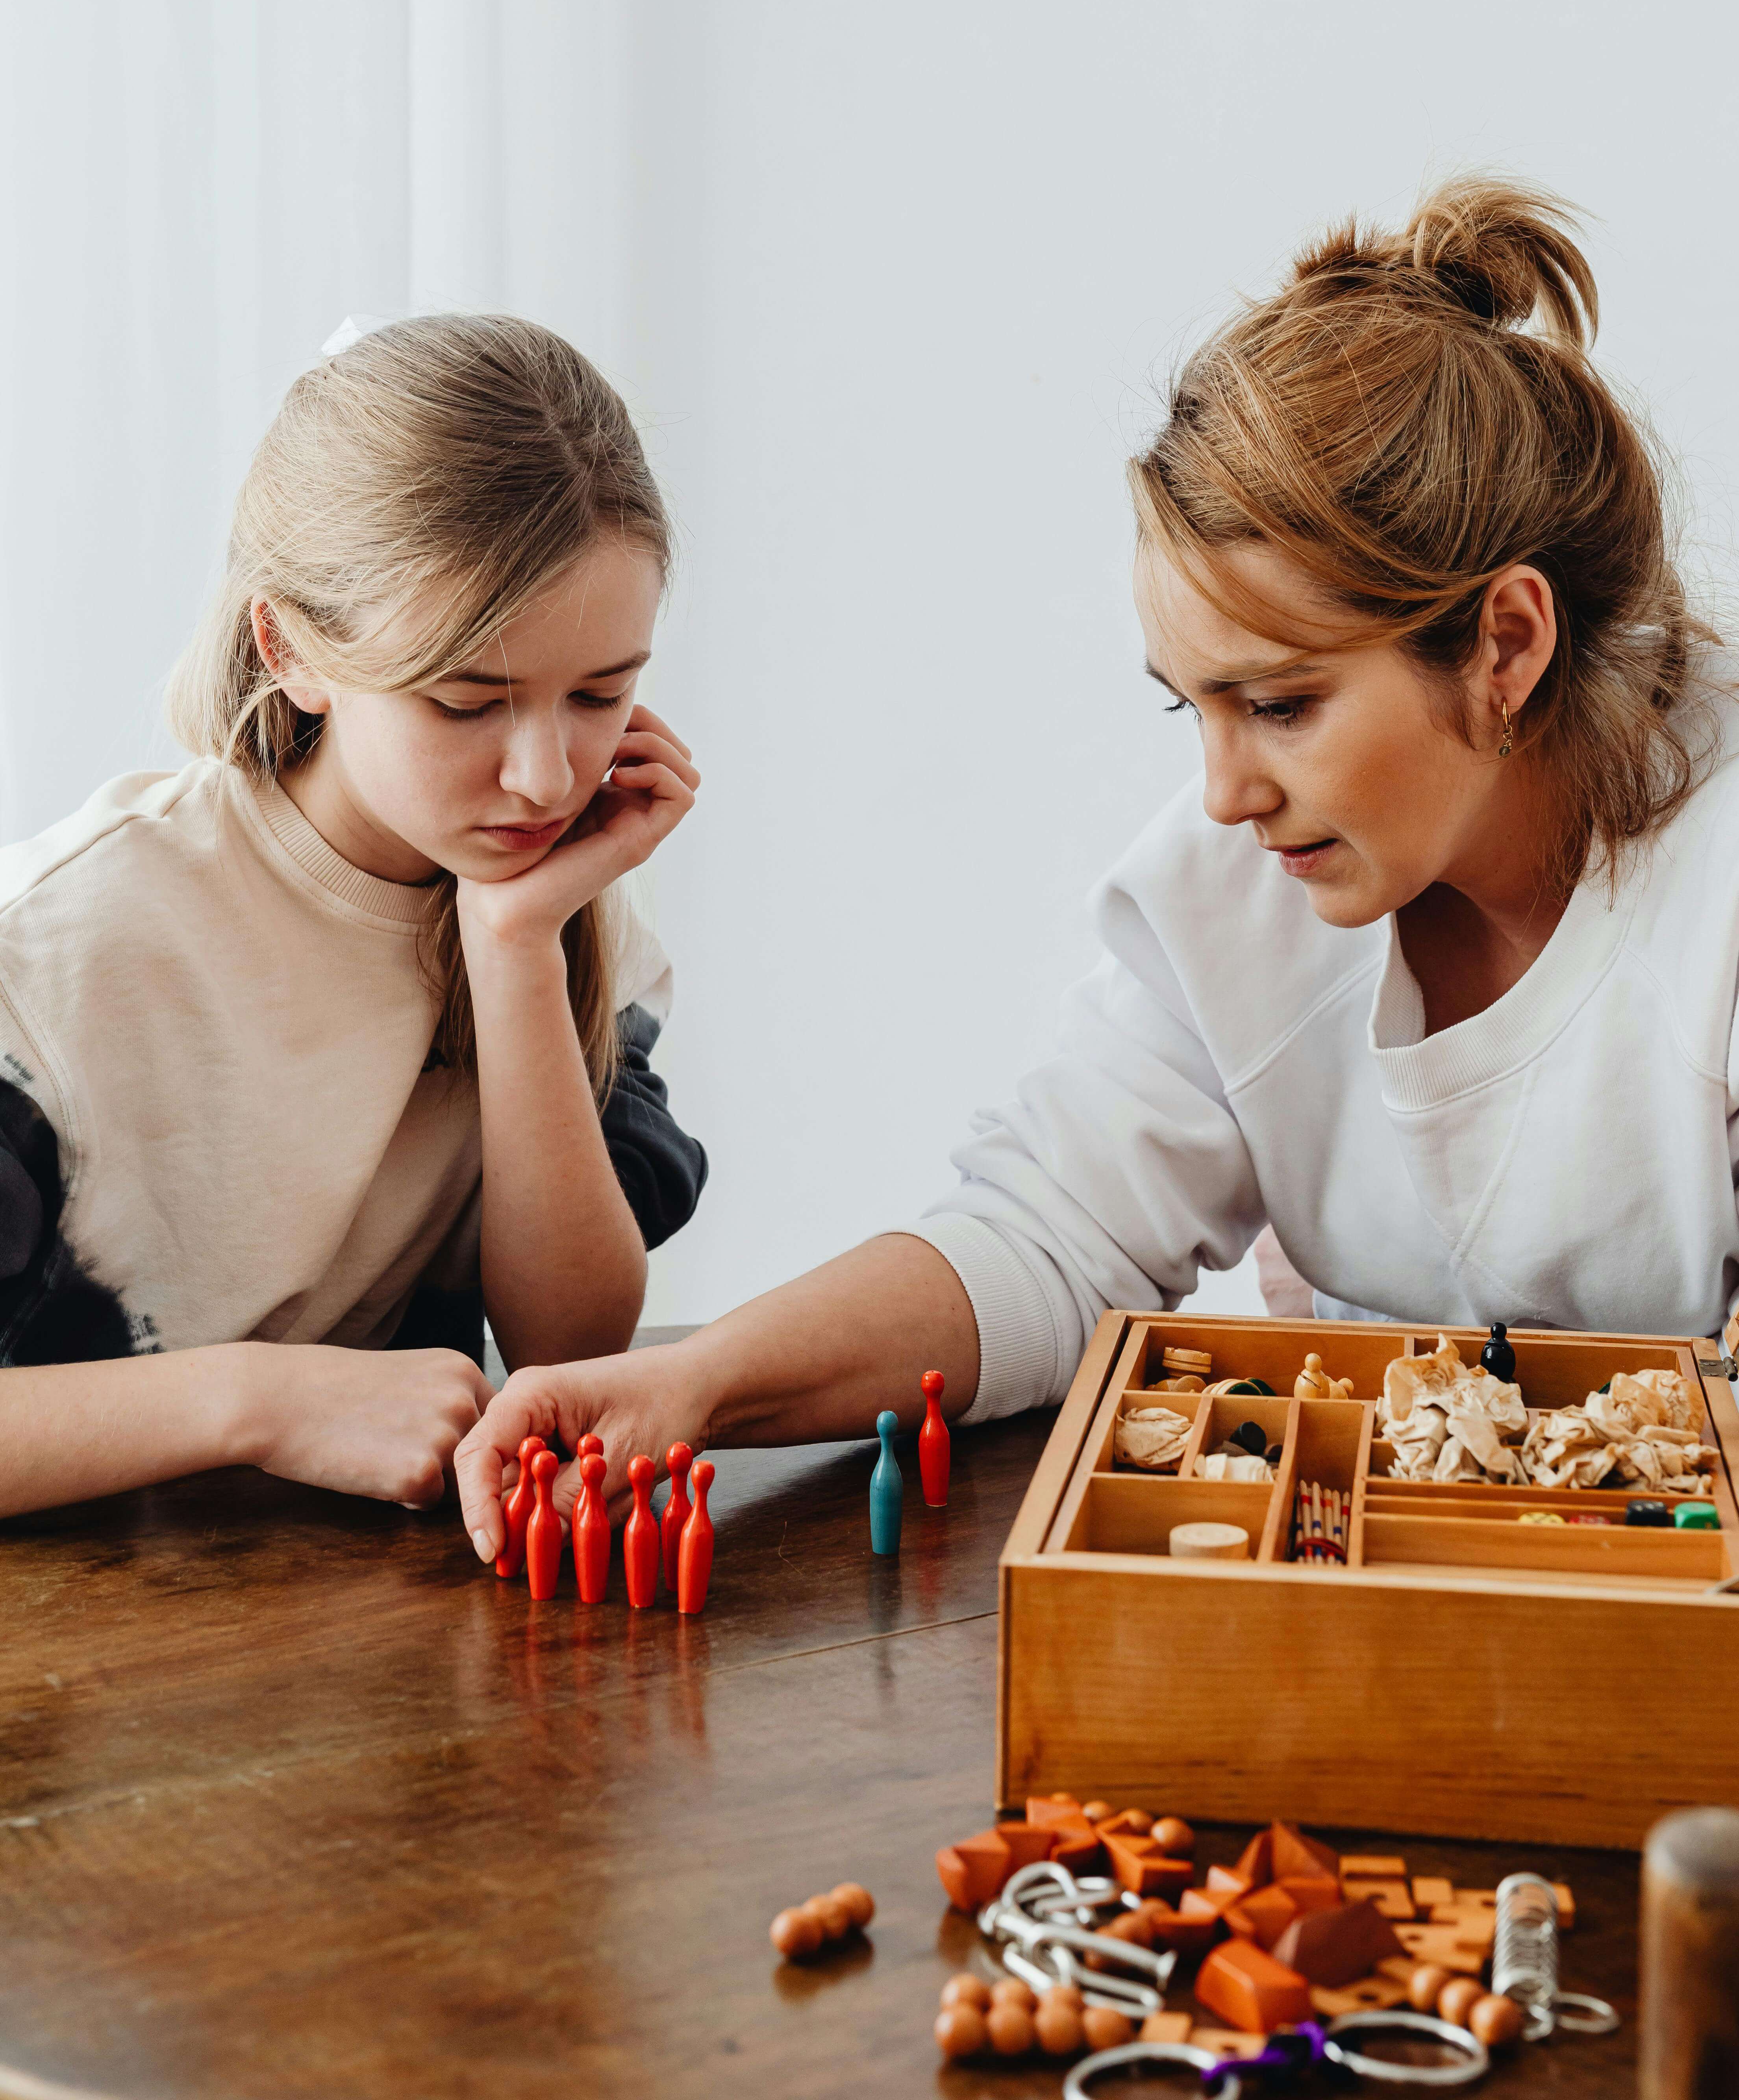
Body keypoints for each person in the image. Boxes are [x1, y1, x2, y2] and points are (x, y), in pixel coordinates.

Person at [455, 176, 1739, 1554]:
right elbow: (1044, 1237)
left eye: (1283, 704)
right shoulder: (1247, 877)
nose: (1225, 793)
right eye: (1192, 706)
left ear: (1503, 646)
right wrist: (690, 1381)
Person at [0, 316, 705, 1518]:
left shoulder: (555, 906)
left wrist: (515, 947)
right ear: (292, 648)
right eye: (464, 700)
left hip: (363, 1634)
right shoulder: (65, 949)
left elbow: (567, 1345)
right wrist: (262, 1401)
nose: (544, 775)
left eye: (601, 693)